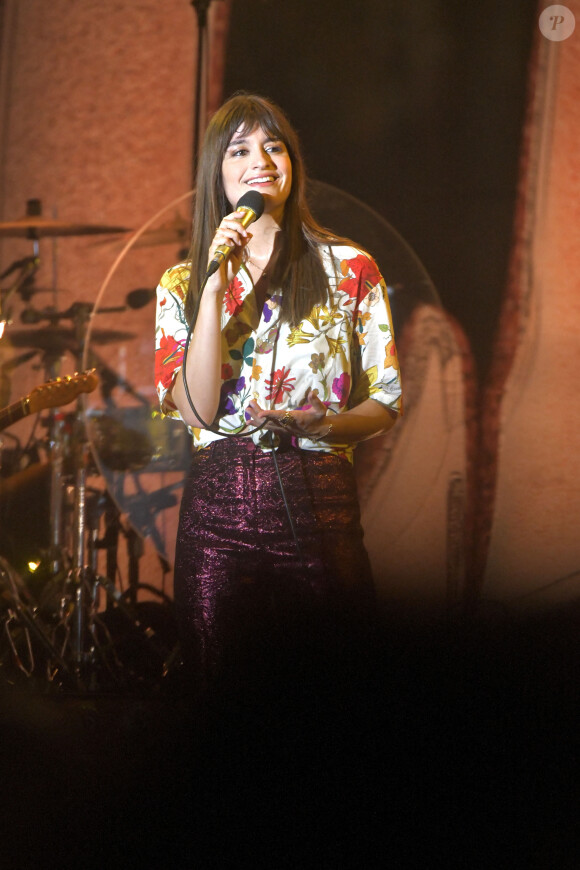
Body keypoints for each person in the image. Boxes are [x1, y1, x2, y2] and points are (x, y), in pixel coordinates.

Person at [155, 93, 402, 695]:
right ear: (218, 170)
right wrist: (214, 283)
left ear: (292, 163)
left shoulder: (351, 268)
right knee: (221, 703)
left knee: (335, 696)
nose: (261, 159)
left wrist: (320, 426)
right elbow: (200, 408)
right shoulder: (184, 282)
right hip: (217, 508)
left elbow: (385, 403)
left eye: (273, 145)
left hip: (319, 498)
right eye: (240, 149)